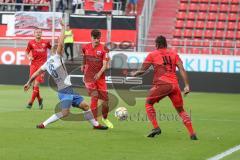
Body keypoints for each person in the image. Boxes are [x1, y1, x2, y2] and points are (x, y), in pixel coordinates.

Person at [24, 21, 108, 130]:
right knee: (65, 112)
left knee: (85, 106)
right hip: (64, 91)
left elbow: (35, 73)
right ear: (57, 51)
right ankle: (44, 124)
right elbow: (60, 42)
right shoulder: (57, 57)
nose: (63, 51)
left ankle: (96, 125)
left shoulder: (46, 64)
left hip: (68, 90)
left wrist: (28, 83)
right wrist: (63, 28)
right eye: (62, 50)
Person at [131, 35, 197, 140]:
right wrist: (187, 85)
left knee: (148, 103)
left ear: (157, 44)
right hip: (175, 86)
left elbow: (143, 70)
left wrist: (134, 73)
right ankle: (192, 133)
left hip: (163, 85)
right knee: (181, 110)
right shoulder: (174, 54)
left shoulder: (152, 54)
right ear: (165, 44)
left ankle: (156, 127)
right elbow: (182, 69)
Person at [81, 29, 113, 128]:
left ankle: (105, 118)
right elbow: (84, 57)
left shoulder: (104, 49)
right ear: (91, 37)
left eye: (98, 38)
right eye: (95, 38)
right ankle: (95, 122)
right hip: (89, 77)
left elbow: (105, 65)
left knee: (105, 102)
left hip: (100, 78)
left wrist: (99, 73)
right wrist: (82, 65)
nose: (96, 40)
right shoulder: (85, 47)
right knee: (94, 97)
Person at [25, 27, 51, 109]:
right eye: (37, 32)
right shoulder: (31, 42)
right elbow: (26, 51)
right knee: (34, 86)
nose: (38, 33)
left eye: (40, 32)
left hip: (43, 66)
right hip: (33, 65)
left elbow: (53, 49)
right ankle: (40, 99)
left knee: (36, 84)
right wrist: (29, 57)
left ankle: (30, 103)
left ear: (41, 33)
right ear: (34, 34)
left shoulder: (46, 42)